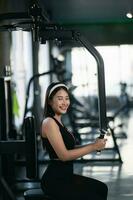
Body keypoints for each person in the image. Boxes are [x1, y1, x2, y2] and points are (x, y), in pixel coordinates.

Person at [41, 82, 108, 200]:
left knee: (101, 188)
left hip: (66, 176)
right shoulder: (49, 122)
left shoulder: (59, 122)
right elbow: (64, 156)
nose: (65, 102)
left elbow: (70, 148)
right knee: (94, 197)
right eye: (60, 99)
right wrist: (93, 147)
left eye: (67, 98)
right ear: (50, 101)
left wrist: (94, 145)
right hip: (55, 181)